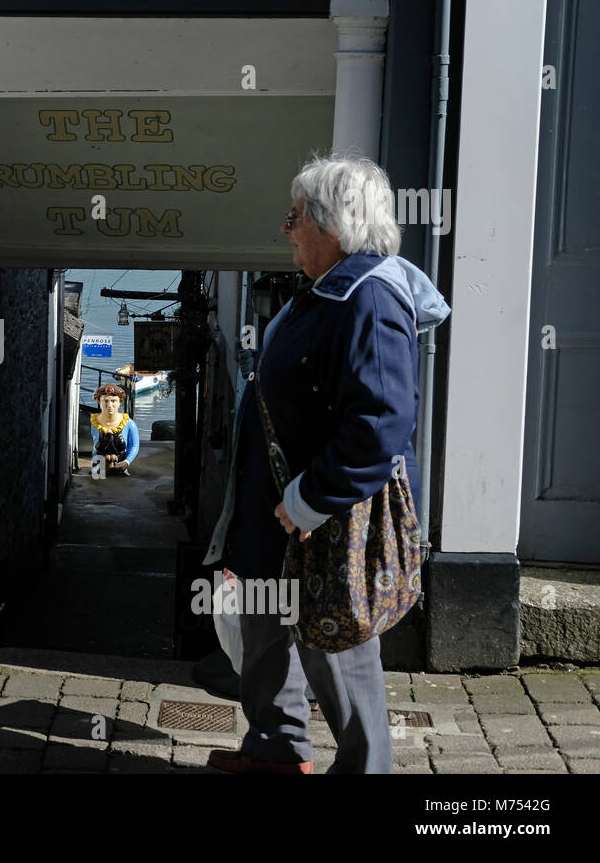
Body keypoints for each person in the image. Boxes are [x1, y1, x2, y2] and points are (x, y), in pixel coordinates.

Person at [203, 153, 450, 774]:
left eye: (294, 218)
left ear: (332, 226)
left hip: (326, 512)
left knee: (336, 643)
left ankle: (369, 769)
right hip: (279, 504)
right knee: (263, 618)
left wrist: (311, 498)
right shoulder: (327, 288)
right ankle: (276, 752)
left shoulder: (371, 300)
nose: (285, 231)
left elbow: (381, 424)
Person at [90, 383, 140, 474]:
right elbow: (95, 446)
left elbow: (134, 446)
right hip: (100, 468)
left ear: (119, 402)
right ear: (99, 402)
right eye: (105, 401)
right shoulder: (95, 423)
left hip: (120, 466)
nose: (109, 405)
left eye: (113, 401)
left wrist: (127, 462)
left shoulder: (129, 423)